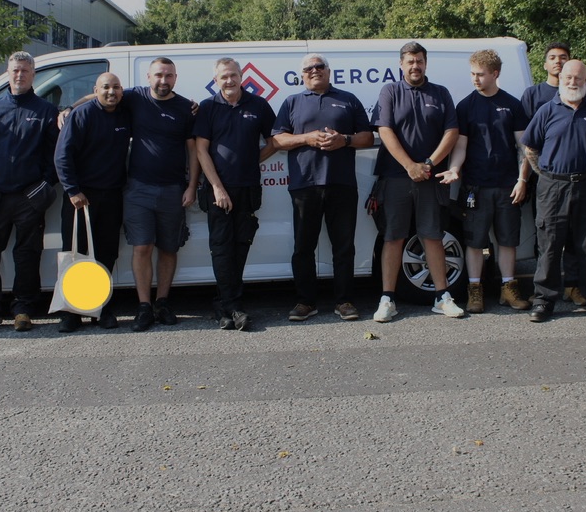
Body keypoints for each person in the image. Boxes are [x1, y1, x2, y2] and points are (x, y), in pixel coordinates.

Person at [267, 53, 374, 322]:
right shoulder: (292, 102)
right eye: (309, 68)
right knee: (303, 248)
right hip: (305, 185)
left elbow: (368, 137)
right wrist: (307, 138)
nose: (314, 70)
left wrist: (344, 140)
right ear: (301, 75)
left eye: (319, 66)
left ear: (328, 71)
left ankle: (344, 301)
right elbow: (278, 140)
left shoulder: (348, 99)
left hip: (342, 184)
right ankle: (305, 302)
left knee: (344, 247)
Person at [371, 41, 464, 322]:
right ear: (401, 64)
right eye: (410, 61)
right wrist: (409, 165)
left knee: (432, 236)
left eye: (420, 61)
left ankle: (442, 297)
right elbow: (384, 130)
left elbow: (452, 132)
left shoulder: (440, 93)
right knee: (393, 237)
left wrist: (429, 164)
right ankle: (387, 299)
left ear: (426, 63)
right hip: (396, 176)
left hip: (430, 177)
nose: (415, 66)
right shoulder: (390, 91)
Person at [520, 60, 586, 322]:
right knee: (550, 245)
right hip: (552, 187)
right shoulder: (546, 110)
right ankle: (543, 301)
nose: (573, 82)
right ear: (561, 79)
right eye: (568, 78)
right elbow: (530, 147)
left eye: (578, 78)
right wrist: (544, 173)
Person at [0, 51, 60, 333]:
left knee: (27, 256)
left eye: (24, 70)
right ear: (8, 74)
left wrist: (44, 186)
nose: (19, 75)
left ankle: (23, 310)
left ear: (33, 74)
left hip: (28, 198)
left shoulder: (45, 111)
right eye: (15, 71)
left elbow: (54, 158)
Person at [436, 49, 532, 313]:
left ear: (495, 73)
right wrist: (454, 169)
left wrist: (522, 180)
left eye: (480, 74)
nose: (475, 79)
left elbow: (524, 148)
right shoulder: (465, 106)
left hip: (507, 186)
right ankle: (475, 290)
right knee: (474, 242)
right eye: (472, 74)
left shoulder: (512, 105)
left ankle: (508, 288)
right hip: (475, 187)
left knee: (507, 240)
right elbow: (461, 146)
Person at [195, 57, 276, 331]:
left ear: (241, 76)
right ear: (215, 80)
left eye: (233, 75)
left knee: (241, 244)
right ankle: (233, 306)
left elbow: (274, 141)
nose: (229, 80)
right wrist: (217, 187)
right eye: (223, 77)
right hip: (217, 189)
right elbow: (201, 150)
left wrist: (252, 161)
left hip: (248, 187)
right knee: (221, 248)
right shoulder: (208, 107)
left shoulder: (259, 105)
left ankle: (225, 305)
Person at [119, 58, 198, 331]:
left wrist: (191, 186)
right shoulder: (135, 97)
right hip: (138, 188)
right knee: (142, 247)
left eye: (168, 75)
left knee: (168, 247)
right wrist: (69, 109)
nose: (163, 80)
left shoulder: (185, 108)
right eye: (158, 75)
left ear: (175, 77)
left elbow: (193, 150)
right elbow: (100, 96)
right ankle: (144, 306)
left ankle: (162, 302)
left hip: (173, 190)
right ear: (148, 76)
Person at [54, 72, 131, 332]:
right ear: (95, 90)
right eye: (105, 87)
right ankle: (72, 312)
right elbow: (62, 156)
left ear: (122, 91)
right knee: (77, 253)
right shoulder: (82, 115)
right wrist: (73, 191)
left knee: (105, 254)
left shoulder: (124, 113)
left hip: (112, 195)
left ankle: (100, 308)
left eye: (116, 87)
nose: (111, 92)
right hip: (81, 197)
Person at [519, 41, 586, 309]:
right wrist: (530, 176)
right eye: (553, 57)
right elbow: (527, 142)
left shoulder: (581, 94)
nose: (558, 61)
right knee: (547, 238)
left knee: (576, 237)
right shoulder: (534, 95)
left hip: (579, 179)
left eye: (563, 57)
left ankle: (573, 286)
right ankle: (546, 293)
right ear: (545, 63)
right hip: (546, 180)